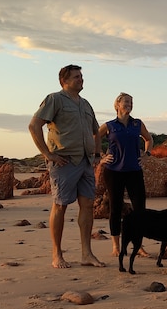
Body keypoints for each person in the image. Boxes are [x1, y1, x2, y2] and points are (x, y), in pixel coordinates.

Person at [28, 64, 105, 269]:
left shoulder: (86, 104)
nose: (81, 79)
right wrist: (47, 154)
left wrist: (97, 154)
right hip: (64, 161)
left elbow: (96, 131)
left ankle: (86, 254)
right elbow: (34, 125)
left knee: (88, 205)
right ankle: (57, 255)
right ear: (64, 81)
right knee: (60, 206)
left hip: (86, 162)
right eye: (76, 77)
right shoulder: (55, 99)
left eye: (81, 76)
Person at [98, 92, 153, 256]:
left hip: (134, 171)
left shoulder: (137, 124)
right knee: (115, 208)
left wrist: (146, 154)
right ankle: (115, 246)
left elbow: (149, 139)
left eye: (131, 102)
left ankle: (139, 246)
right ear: (117, 105)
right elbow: (93, 138)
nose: (129, 105)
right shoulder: (109, 125)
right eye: (126, 102)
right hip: (113, 172)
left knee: (140, 210)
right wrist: (100, 156)